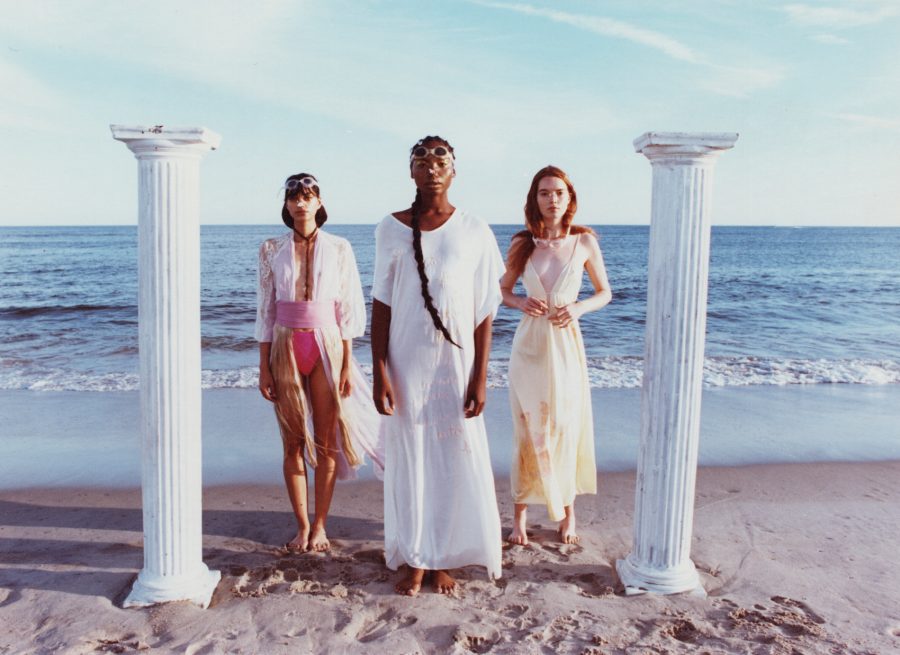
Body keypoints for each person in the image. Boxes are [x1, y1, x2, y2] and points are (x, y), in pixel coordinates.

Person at [371, 136, 504, 596]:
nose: (431, 169)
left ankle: (443, 558)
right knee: (411, 455)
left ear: (454, 171)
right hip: (406, 359)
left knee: (451, 455)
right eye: (421, 161)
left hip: (454, 362)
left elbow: (484, 310)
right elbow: (382, 303)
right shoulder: (390, 228)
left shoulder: (474, 229)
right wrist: (379, 370)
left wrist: (480, 376)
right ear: (410, 171)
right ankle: (416, 557)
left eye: (440, 161)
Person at [256, 173, 384, 553]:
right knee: (292, 443)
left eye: (307, 196)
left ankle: (321, 526)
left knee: (327, 442)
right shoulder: (270, 249)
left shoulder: (340, 248)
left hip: (327, 345)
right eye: (294, 197)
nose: (301, 203)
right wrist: (263, 366)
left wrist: (346, 364)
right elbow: (265, 310)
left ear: (319, 202)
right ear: (286, 204)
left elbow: (348, 309)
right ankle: (301, 526)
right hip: (285, 345)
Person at [500, 165, 612, 546]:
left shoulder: (584, 242)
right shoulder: (522, 243)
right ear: (535, 199)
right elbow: (502, 291)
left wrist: (578, 308)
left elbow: (605, 293)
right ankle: (519, 517)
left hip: (565, 344)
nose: (553, 199)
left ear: (569, 198)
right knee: (527, 428)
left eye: (559, 193)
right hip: (529, 346)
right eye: (545, 193)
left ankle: (567, 511)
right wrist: (520, 302)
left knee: (565, 425)